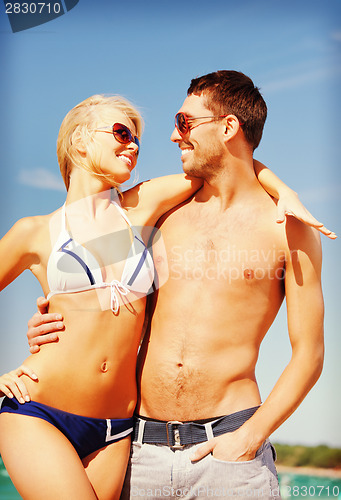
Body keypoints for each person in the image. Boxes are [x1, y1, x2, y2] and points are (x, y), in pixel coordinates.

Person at [1, 72, 333, 500]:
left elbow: (311, 354)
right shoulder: (159, 213)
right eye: (124, 132)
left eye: (183, 123)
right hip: (139, 447)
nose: (171, 138)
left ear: (228, 126)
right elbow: (86, 287)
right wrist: (38, 336)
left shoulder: (285, 230)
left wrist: (248, 439)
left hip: (222, 449)